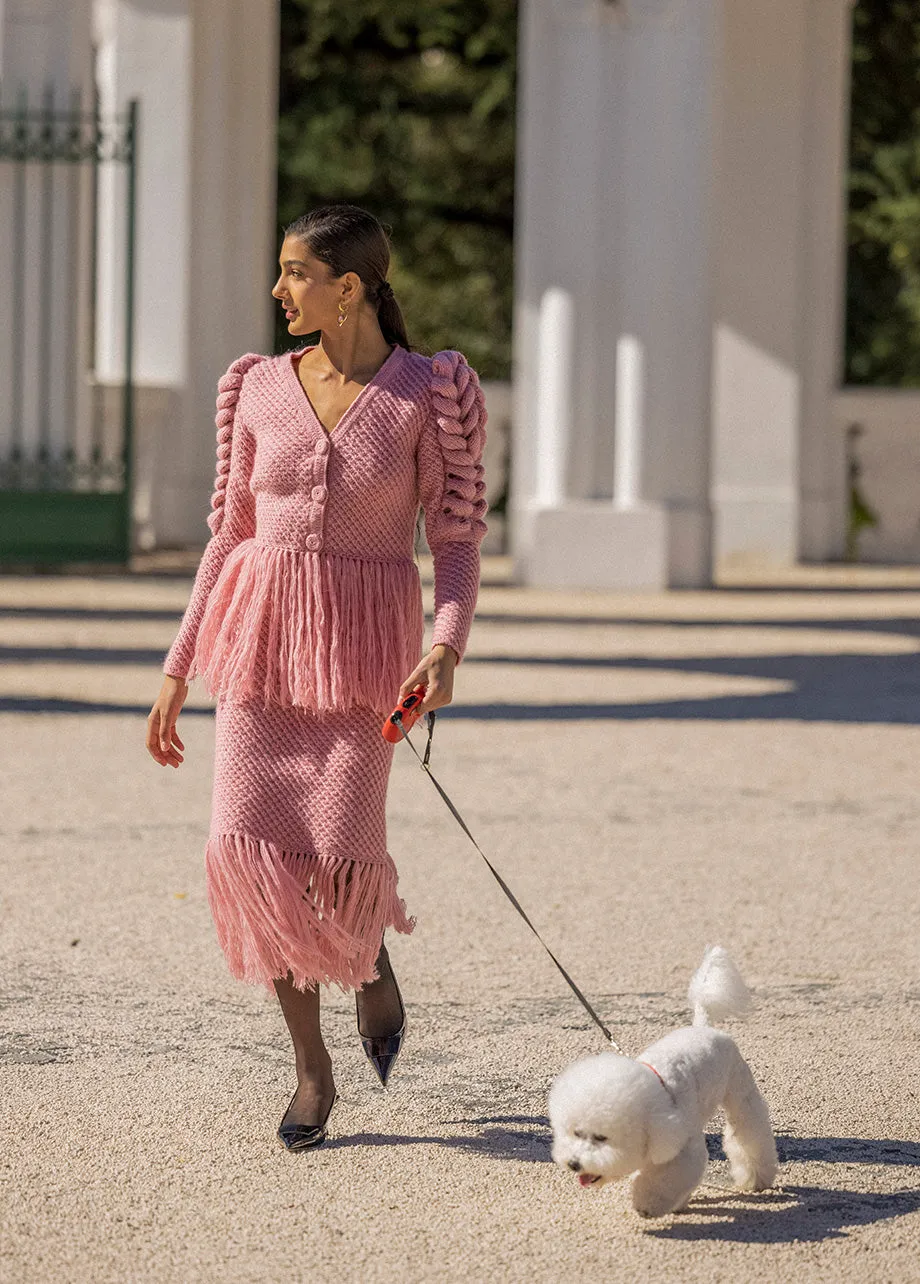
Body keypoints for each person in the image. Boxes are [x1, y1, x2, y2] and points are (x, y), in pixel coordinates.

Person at [145, 203, 488, 1152]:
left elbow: (455, 540)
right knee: (255, 854)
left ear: (350, 287)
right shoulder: (256, 386)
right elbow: (229, 536)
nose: (278, 290)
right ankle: (310, 1069)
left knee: (338, 858)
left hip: (365, 664)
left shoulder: (430, 391)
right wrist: (180, 667)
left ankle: (369, 956)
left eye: (296, 273)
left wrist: (447, 645)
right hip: (255, 650)